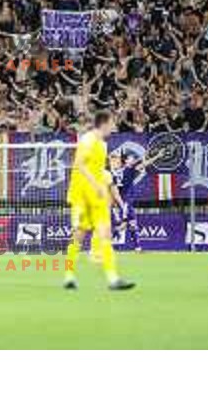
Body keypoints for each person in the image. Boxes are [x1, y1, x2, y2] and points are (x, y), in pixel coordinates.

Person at [65, 111, 135, 291]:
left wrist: (101, 187)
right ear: (104, 123)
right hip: (81, 195)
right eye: (112, 123)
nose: (114, 127)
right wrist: (96, 184)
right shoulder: (88, 139)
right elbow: (79, 164)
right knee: (79, 236)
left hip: (97, 196)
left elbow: (96, 169)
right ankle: (69, 275)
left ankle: (113, 279)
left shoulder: (103, 145)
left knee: (106, 233)